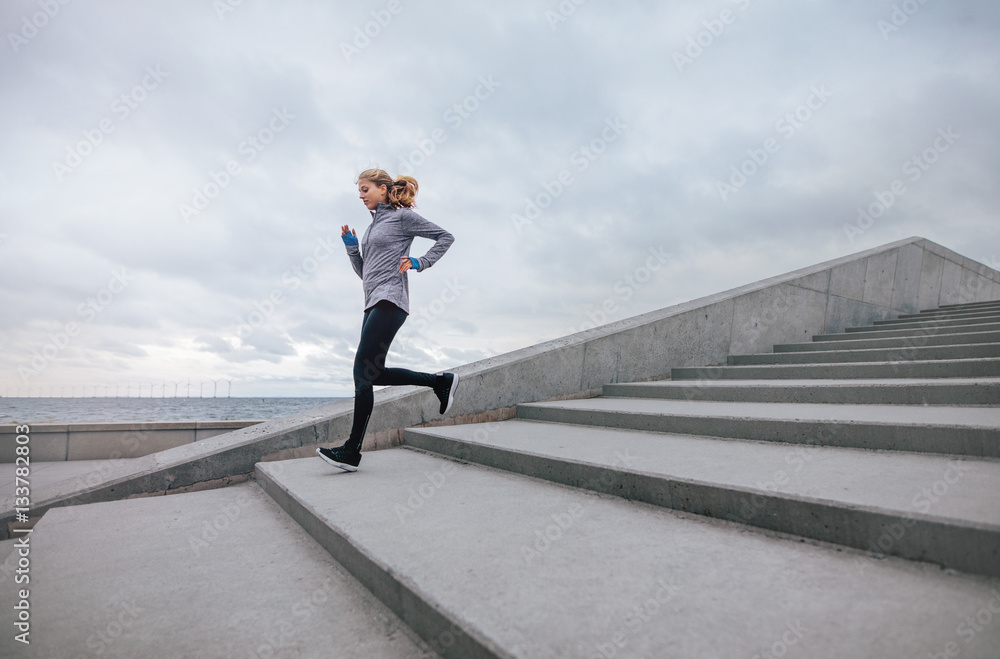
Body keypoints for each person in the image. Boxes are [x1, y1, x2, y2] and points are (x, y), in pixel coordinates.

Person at [317, 167, 459, 472]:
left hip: (391, 300)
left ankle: (352, 451)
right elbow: (364, 274)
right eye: (359, 191)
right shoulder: (372, 228)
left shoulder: (402, 218)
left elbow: (445, 237)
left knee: (360, 373)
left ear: (383, 189)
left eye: (365, 189)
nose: (361, 195)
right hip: (373, 302)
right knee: (374, 374)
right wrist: (352, 249)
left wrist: (421, 262)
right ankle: (439, 382)